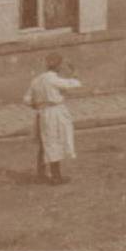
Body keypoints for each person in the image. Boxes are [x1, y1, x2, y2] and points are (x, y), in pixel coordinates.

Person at [23, 53, 81, 186]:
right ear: (59, 66)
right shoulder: (54, 80)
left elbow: (26, 99)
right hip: (55, 112)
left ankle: (41, 174)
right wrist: (75, 71)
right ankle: (56, 177)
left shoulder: (37, 80)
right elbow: (75, 84)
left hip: (42, 113)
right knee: (56, 141)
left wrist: (37, 106)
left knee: (45, 143)